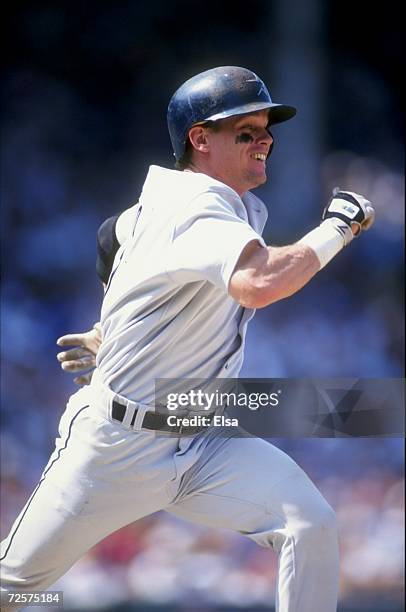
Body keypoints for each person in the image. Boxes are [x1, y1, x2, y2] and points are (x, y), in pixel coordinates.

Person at [1, 66, 375, 612]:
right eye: (244, 130)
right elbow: (260, 283)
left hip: (200, 429)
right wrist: (338, 225)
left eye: (267, 128)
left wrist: (115, 329)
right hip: (117, 448)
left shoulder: (199, 203)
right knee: (14, 591)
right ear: (200, 140)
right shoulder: (195, 202)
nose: (264, 137)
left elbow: (116, 233)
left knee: (309, 523)